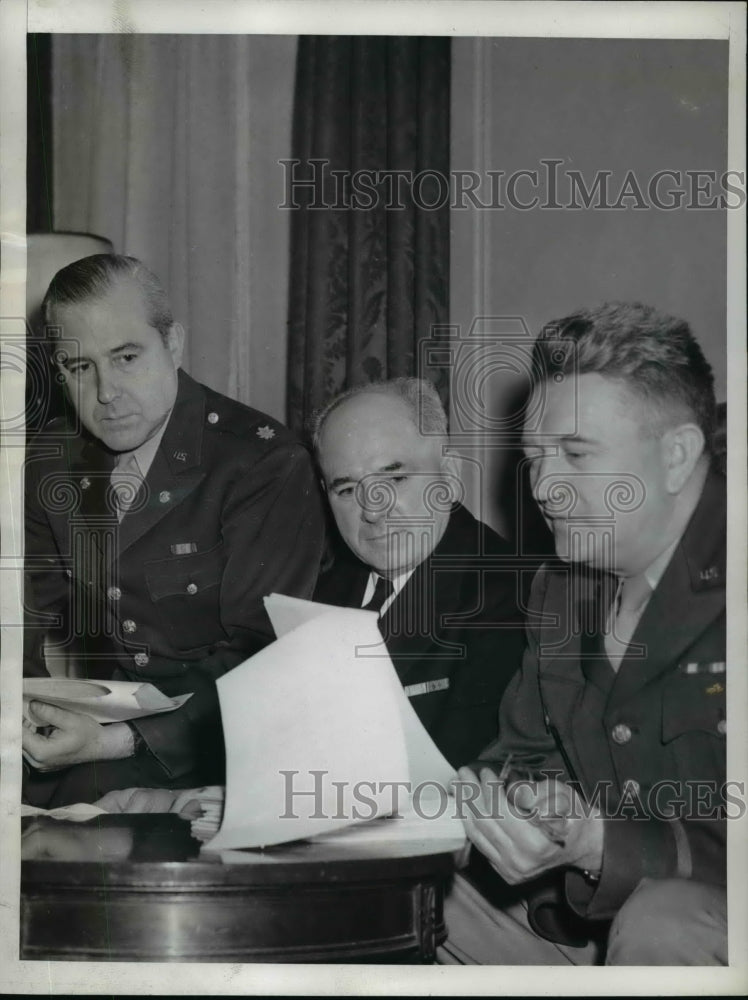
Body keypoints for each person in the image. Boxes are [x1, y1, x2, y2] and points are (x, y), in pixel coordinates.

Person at [443, 302, 727, 965]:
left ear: (678, 455)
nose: (544, 486)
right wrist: (524, 804)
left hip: (697, 917)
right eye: (535, 457)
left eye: (575, 453)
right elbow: (517, 753)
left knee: (666, 920)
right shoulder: (565, 589)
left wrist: (602, 843)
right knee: (421, 892)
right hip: (591, 914)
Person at [23, 254, 326, 807]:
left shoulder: (261, 463)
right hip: (99, 737)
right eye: (79, 367)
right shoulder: (51, 462)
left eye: (127, 357)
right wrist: (24, 715)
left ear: (175, 345)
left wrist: (114, 742)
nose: (107, 392)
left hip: (229, 747)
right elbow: (16, 613)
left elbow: (262, 657)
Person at [311, 378, 526, 767]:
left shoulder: (511, 595)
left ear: (450, 475)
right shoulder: (318, 589)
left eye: (395, 478)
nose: (373, 510)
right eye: (346, 490)